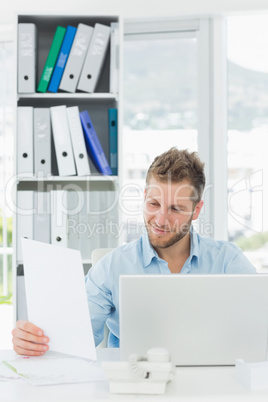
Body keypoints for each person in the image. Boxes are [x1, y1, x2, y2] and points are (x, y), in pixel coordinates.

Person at [12, 147, 256, 355]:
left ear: (197, 210)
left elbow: (259, 327)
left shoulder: (227, 262)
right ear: (145, 197)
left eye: (175, 208)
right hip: (134, 385)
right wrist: (34, 339)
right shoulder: (111, 267)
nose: (160, 219)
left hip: (211, 383)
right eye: (154, 204)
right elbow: (75, 337)